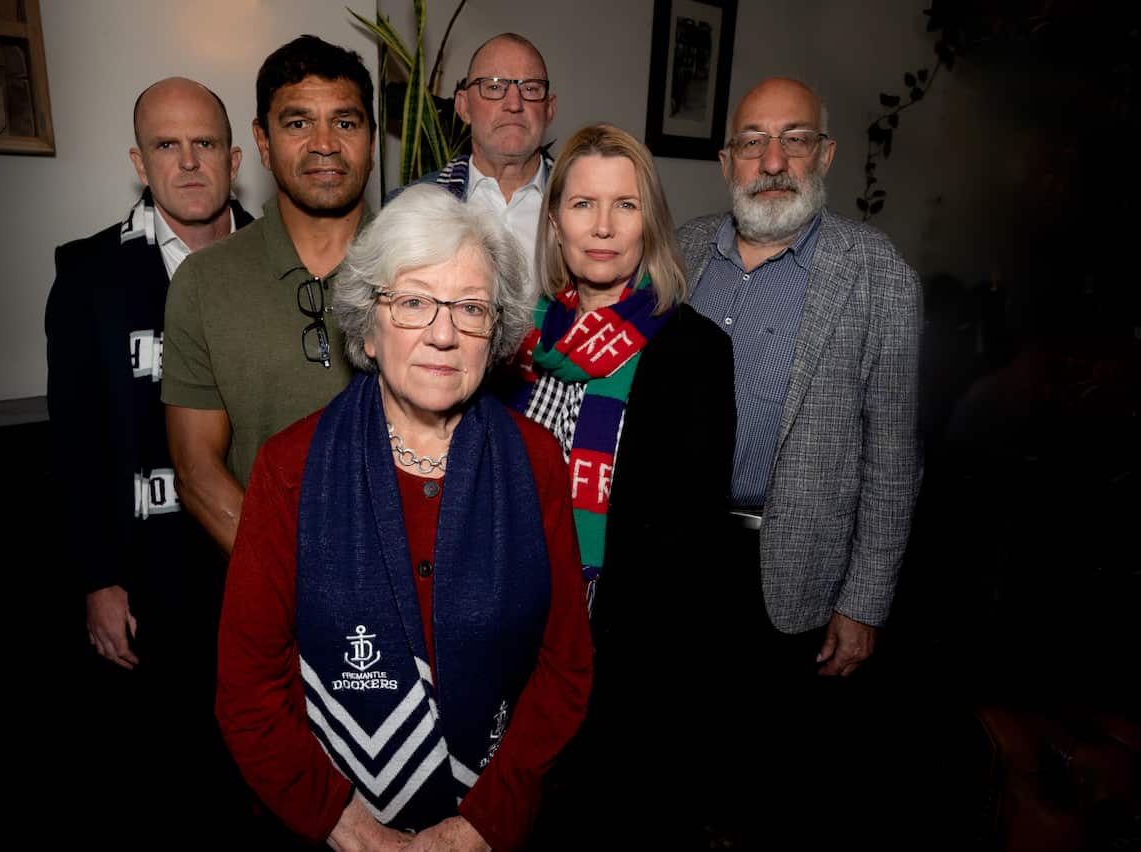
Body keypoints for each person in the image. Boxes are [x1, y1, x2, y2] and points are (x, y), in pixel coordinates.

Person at [215, 184, 592, 852]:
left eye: (471, 308)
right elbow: (248, 688)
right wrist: (347, 826)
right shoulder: (289, 467)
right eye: (414, 301)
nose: (443, 334)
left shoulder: (535, 461)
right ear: (369, 320)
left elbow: (564, 669)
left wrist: (484, 822)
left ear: (496, 332)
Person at [677, 76, 922, 846]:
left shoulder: (877, 274)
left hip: (798, 576)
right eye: (753, 140)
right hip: (678, 561)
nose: (774, 159)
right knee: (678, 765)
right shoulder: (679, 253)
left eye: (796, 138)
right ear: (727, 160)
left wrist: (865, 602)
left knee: (775, 789)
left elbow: (893, 453)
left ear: (827, 153)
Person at [504, 123, 735, 848]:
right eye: (582, 204)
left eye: (625, 205)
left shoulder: (695, 351)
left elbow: (687, 551)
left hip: (623, 673)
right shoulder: (513, 341)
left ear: (650, 222)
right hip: (505, 651)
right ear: (555, 220)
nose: (602, 228)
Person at [44, 77, 252, 834]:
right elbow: (74, 441)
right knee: (165, 782)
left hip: (257, 565)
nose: (188, 162)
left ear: (233, 158)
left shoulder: (283, 264)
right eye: (168, 144)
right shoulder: (89, 274)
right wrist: (97, 579)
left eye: (204, 144)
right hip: (148, 576)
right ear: (141, 160)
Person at [162, 35, 375, 555]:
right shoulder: (204, 281)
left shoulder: (425, 267)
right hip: (270, 593)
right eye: (298, 123)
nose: (324, 143)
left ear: (370, 137)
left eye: (345, 122)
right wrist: (296, 580)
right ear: (262, 141)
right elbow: (196, 471)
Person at [395, 33, 556, 300]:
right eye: (493, 87)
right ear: (463, 107)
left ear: (549, 109)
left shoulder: (585, 208)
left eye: (530, 88)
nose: (514, 104)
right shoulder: (412, 208)